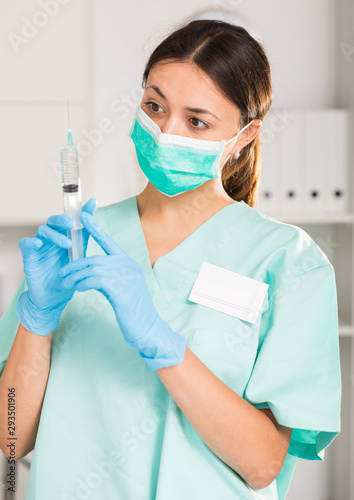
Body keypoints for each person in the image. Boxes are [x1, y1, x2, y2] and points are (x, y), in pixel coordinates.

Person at [0, 19, 341, 500]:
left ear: (244, 136)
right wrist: (35, 321)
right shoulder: (78, 242)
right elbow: (11, 438)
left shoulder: (288, 263)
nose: (164, 132)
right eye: (154, 106)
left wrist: (162, 342)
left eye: (196, 121)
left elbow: (264, 464)